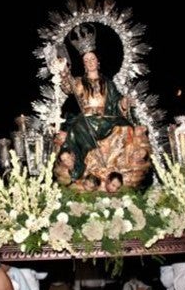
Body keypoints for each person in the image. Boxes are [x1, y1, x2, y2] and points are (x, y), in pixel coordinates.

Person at [58, 23, 136, 181]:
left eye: (92, 58)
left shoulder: (108, 83)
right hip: (87, 119)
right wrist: (64, 72)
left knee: (126, 128)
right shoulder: (79, 82)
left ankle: (121, 169)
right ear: (84, 65)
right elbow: (67, 88)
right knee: (78, 126)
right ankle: (79, 165)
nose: (90, 62)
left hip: (106, 119)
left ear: (98, 61)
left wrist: (124, 103)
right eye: (86, 60)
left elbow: (116, 103)